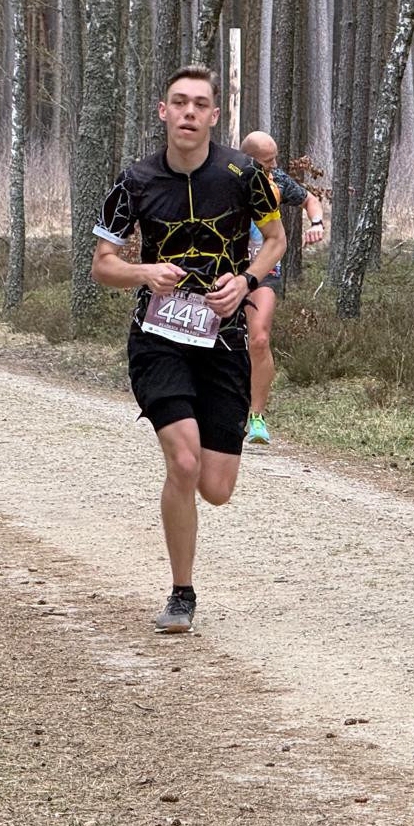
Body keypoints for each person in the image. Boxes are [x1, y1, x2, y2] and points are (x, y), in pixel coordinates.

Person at [90, 65, 285, 634]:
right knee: (183, 460)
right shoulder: (134, 181)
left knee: (216, 488)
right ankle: (182, 592)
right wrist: (144, 271)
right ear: (163, 112)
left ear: (215, 115)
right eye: (179, 103)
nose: (189, 113)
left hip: (222, 337)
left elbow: (275, 239)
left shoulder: (244, 174)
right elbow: (103, 265)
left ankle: (203, 476)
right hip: (158, 337)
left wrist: (246, 283)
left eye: (200, 104)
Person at [237, 130, 325, 445]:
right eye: (266, 162)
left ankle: (257, 419)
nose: (273, 167)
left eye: (275, 159)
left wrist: (317, 224)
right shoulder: (224, 176)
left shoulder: (277, 180)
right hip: (222, 270)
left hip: (263, 270)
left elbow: (309, 200)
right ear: (248, 160)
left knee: (259, 339)